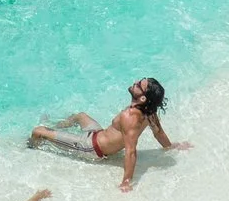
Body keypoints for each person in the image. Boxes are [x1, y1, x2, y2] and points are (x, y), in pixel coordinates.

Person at [28, 76, 187, 191]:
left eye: (139, 85)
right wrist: (171, 146)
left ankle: (29, 148)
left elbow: (131, 151)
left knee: (38, 131)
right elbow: (158, 133)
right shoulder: (149, 112)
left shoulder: (130, 117)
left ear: (143, 98)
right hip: (97, 133)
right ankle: (56, 126)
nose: (135, 82)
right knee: (80, 116)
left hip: (90, 147)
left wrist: (126, 181)